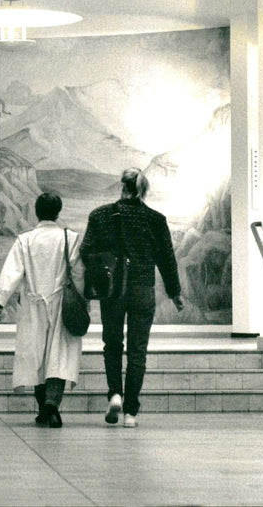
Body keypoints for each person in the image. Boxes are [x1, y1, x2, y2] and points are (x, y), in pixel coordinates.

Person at [80, 167, 184, 428]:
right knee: (137, 351)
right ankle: (130, 413)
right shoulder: (156, 220)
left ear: (121, 186)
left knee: (112, 345)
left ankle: (115, 393)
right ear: (144, 189)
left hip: (113, 291)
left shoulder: (100, 215)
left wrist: (98, 279)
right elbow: (167, 261)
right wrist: (175, 294)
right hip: (142, 290)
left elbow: (85, 251)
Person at [0, 193, 85, 428]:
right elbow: (79, 275)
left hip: (33, 307)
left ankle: (45, 407)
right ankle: (52, 405)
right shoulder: (70, 238)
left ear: (37, 212)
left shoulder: (25, 240)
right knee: (57, 357)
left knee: (37, 358)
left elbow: (13, 271)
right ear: (58, 212)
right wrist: (83, 301)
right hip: (61, 305)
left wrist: (0, 299)